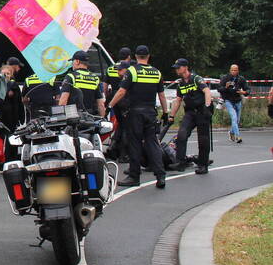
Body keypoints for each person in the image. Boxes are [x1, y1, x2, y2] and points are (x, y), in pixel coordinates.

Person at [109, 45, 168, 189]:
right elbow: (161, 95)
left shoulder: (132, 71)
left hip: (135, 112)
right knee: (152, 143)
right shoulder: (156, 72)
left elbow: (122, 91)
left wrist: (110, 105)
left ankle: (134, 176)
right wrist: (166, 112)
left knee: (134, 144)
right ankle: (160, 176)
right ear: (148, 56)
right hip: (150, 112)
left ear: (135, 56)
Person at [168, 58, 213, 174]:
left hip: (202, 111)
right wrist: (171, 116)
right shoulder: (180, 83)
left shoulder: (196, 78)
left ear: (185, 67)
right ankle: (180, 162)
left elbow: (207, 91)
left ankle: (203, 165)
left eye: (178, 67)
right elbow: (178, 100)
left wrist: (207, 107)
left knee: (203, 139)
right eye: (176, 68)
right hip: (190, 112)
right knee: (182, 134)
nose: (177, 70)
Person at [56, 50, 106, 116]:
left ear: (77, 61)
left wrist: (59, 118)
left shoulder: (71, 76)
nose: (72, 64)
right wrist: (102, 118)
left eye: (72, 61)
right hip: (90, 118)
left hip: (73, 117)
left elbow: (63, 101)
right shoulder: (95, 78)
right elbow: (101, 104)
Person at [219, 64, 250, 143]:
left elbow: (248, 89)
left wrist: (244, 92)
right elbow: (219, 89)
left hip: (238, 101)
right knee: (234, 118)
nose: (233, 71)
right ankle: (238, 136)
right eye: (232, 70)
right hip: (228, 101)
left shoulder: (241, 79)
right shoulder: (225, 78)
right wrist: (225, 87)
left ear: (238, 70)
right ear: (230, 70)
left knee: (237, 120)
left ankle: (231, 132)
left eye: (235, 70)